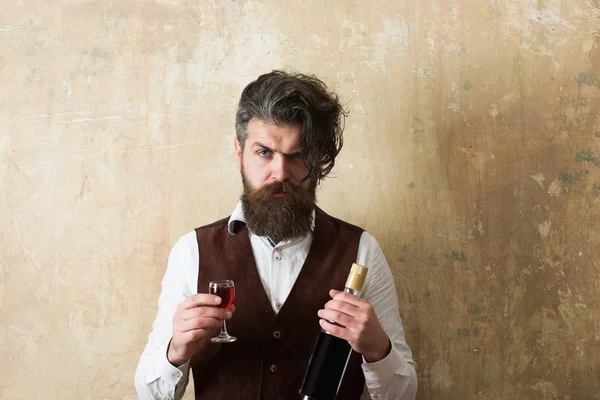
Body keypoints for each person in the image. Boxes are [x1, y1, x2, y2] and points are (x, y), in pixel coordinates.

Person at [134, 70, 418, 399]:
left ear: (315, 160)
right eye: (264, 153)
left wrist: (377, 348)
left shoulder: (361, 252)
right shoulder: (192, 252)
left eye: (296, 156)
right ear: (239, 152)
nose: (280, 172)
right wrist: (176, 352)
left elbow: (404, 394)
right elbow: (149, 394)